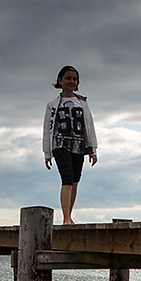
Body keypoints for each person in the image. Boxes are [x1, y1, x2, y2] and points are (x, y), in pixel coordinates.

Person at [42, 64, 100, 224]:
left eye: (74, 79)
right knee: (66, 178)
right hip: (60, 143)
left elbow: (89, 125)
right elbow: (47, 128)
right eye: (68, 78)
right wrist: (47, 152)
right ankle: (66, 218)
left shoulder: (82, 102)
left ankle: (69, 215)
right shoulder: (53, 104)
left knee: (75, 180)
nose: (71, 82)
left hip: (79, 144)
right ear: (60, 80)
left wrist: (92, 149)